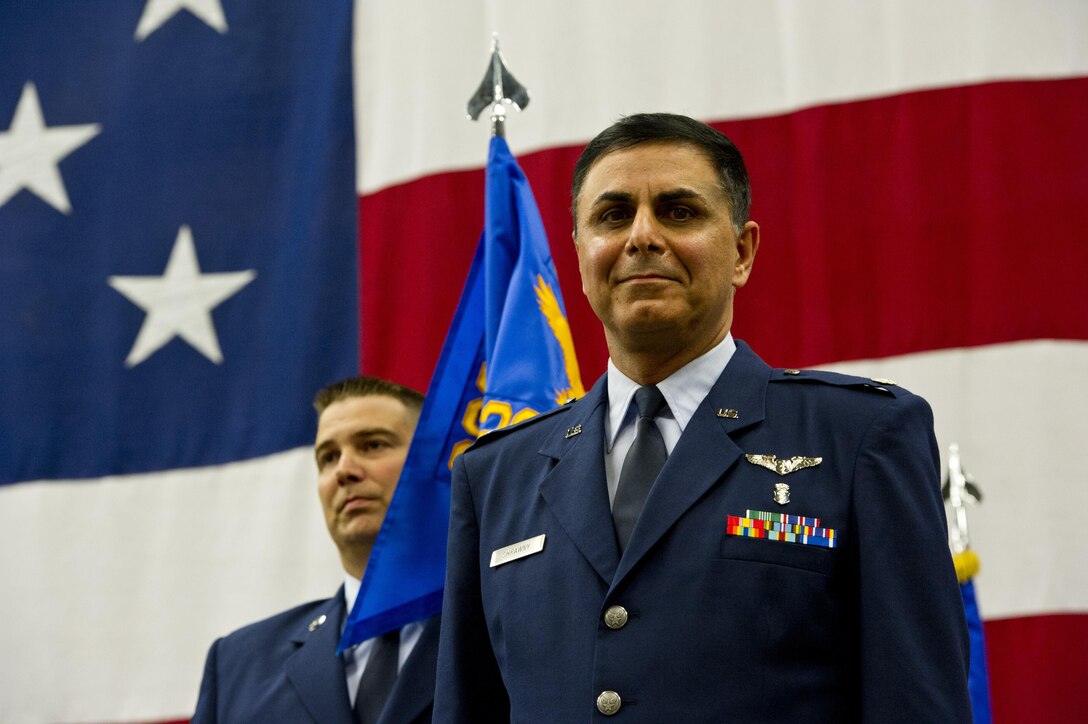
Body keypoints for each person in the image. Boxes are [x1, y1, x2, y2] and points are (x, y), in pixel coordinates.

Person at [435, 113, 971, 721]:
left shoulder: (859, 437)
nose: (641, 236)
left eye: (678, 212)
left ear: (742, 252)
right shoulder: (494, 474)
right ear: (581, 256)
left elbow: (917, 702)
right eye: (612, 216)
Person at [194, 376, 439, 724]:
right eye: (328, 457)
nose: (344, 471)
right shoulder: (239, 664)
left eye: (372, 445)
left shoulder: (497, 629)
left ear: (436, 464)